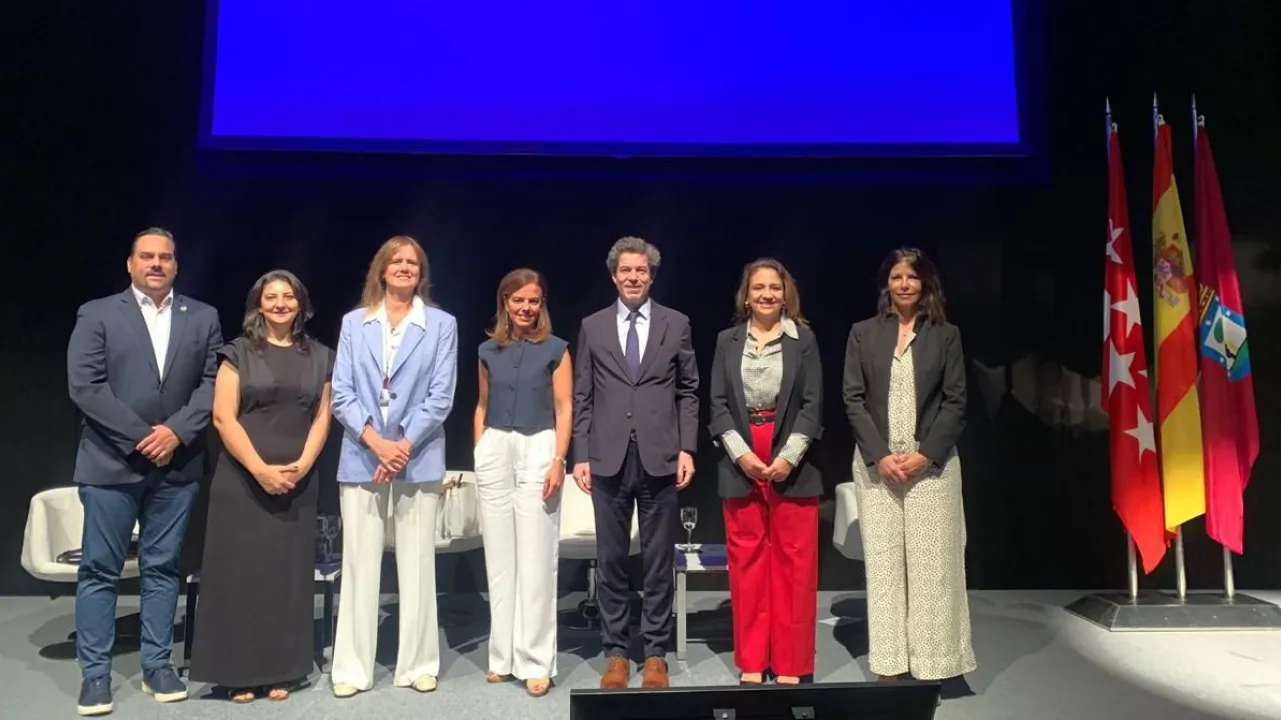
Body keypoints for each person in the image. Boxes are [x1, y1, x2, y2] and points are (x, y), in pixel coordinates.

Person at [67, 228, 222, 716]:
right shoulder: (97, 313)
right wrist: (142, 436)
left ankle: (158, 666)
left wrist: (175, 433)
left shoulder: (202, 316)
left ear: (176, 265)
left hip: (176, 465)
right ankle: (95, 675)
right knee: (100, 570)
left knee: (162, 568)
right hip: (111, 463)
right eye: (147, 256)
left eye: (165, 257)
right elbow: (86, 386)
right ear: (130, 264)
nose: (157, 264)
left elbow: (213, 383)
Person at [188, 270, 333, 702]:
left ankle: (282, 670)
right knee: (240, 575)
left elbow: (323, 417)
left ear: (301, 304)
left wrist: (302, 466)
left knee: (286, 576)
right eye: (271, 297)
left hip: (297, 480)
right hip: (242, 479)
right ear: (258, 304)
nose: (280, 303)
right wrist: (260, 469)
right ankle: (237, 674)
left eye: (288, 296)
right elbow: (223, 417)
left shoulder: (321, 356)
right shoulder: (238, 353)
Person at [329, 235, 458, 698]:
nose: (404, 267)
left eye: (412, 263)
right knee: (359, 565)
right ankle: (352, 668)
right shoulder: (354, 323)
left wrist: (401, 446)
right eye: (396, 261)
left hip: (417, 456)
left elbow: (441, 395)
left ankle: (419, 664)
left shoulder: (442, 324)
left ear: (421, 274)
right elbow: (341, 392)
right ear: (381, 270)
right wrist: (376, 443)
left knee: (418, 564)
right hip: (362, 455)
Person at [842, 247, 976, 686]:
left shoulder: (946, 335)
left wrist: (926, 454)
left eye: (912, 277)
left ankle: (933, 665)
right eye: (897, 276)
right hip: (877, 467)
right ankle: (890, 665)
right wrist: (880, 455)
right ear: (887, 283)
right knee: (884, 569)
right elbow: (853, 399)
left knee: (932, 568)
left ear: (925, 284)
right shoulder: (863, 333)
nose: (904, 284)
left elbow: (956, 402)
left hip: (930, 469)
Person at [571, 236, 699, 690]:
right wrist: (581, 455)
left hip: (660, 457)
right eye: (625, 270)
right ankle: (617, 653)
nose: (633, 277)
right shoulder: (593, 326)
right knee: (611, 562)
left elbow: (688, 390)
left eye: (640, 270)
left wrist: (687, 448)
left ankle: (656, 653)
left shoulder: (675, 323)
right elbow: (583, 395)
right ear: (613, 276)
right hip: (607, 459)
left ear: (652, 276)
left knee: (659, 561)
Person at [708, 258, 823, 686]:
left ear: (785, 293)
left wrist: (788, 457)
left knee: (795, 563)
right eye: (759, 287)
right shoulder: (727, 341)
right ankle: (753, 659)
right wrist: (742, 456)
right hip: (742, 456)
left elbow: (813, 405)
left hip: (791, 456)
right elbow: (717, 405)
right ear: (747, 294)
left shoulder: (803, 340)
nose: (767, 295)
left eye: (775, 287)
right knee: (748, 563)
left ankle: (791, 662)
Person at [473, 268, 571, 697]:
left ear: (541, 303)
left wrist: (558, 460)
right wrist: (480, 449)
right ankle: (502, 657)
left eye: (533, 300)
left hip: (538, 447)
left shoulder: (556, 349)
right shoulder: (487, 350)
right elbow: (481, 404)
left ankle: (535, 660)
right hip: (496, 446)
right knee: (499, 559)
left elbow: (565, 408)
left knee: (536, 557)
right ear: (505, 303)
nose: (526, 307)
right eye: (518, 300)